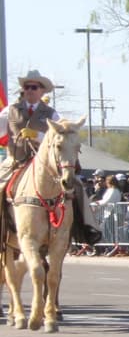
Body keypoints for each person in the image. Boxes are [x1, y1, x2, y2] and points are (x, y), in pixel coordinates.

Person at [0, 69, 100, 244]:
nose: (30, 90)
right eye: (27, 87)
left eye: (34, 87)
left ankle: (87, 228)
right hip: (15, 161)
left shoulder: (52, 114)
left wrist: (36, 135)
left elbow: (62, 136)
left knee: (76, 185)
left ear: (42, 91)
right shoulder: (10, 110)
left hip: (46, 165)